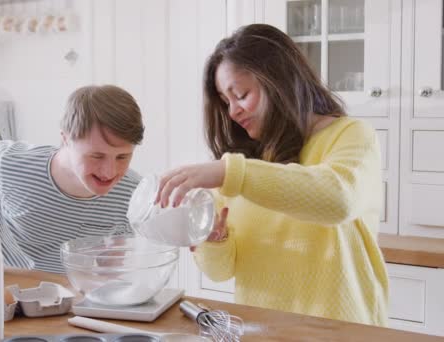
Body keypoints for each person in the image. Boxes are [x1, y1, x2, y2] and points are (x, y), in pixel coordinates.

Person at [155, 24, 388, 326]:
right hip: (264, 329)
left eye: (240, 95)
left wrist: (229, 172)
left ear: (279, 79)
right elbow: (221, 271)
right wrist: (215, 238)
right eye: (226, 102)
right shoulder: (241, 166)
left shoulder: (350, 136)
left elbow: (337, 199)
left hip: (342, 330)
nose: (232, 112)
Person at [0, 85, 145, 273]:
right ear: (66, 138)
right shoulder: (9, 163)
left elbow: (108, 273)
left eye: (122, 157)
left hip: (68, 298)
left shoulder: (132, 192)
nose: (110, 172)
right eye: (96, 156)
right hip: (2, 290)